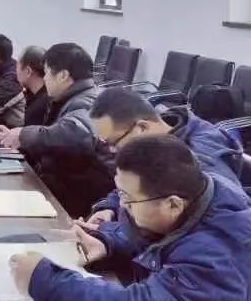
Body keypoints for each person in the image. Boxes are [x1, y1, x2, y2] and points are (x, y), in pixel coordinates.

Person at [9, 135, 251, 301]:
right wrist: (107, 243)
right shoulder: (198, 196)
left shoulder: (220, 251)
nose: (122, 206)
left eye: (128, 198)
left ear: (173, 204)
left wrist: (48, 282)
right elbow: (158, 240)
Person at [0, 43, 114, 218]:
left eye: (46, 73)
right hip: (71, 187)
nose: (45, 78)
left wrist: (23, 135)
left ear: (63, 75)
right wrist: (14, 134)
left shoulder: (87, 101)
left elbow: (75, 134)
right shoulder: (75, 97)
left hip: (83, 200)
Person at [85, 87, 243, 226]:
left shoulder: (201, 161)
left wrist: (109, 233)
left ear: (142, 127)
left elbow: (209, 226)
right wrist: (109, 208)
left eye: (114, 142)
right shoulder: (154, 143)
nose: (112, 150)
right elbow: (134, 186)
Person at [16, 45, 48, 126]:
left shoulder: (39, 108)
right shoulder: (42, 94)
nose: (15, 71)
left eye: (17, 67)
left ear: (28, 71)